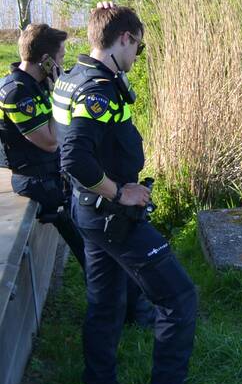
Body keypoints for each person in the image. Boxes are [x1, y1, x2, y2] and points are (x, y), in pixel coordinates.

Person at [53, 4, 220, 384]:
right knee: (179, 296)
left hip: (88, 211)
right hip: (110, 215)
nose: (137, 56)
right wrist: (118, 192)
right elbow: (74, 158)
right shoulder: (97, 90)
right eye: (138, 47)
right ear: (125, 38)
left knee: (106, 302)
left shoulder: (74, 76)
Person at [0, 24, 155, 327]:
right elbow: (49, 141)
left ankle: (130, 309)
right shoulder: (17, 91)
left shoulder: (35, 84)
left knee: (105, 238)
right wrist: (61, 100)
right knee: (98, 245)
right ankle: (127, 314)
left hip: (53, 175)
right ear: (46, 60)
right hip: (38, 181)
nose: (62, 63)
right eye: (59, 57)